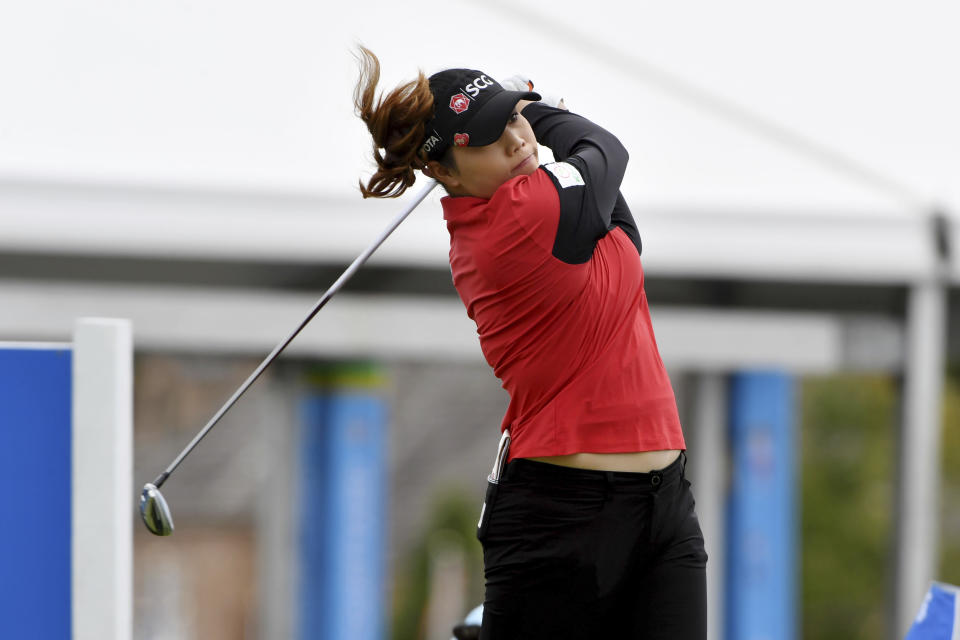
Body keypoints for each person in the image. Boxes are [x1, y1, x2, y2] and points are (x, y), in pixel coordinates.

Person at [354, 47, 707, 640]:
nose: (516, 138)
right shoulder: (515, 218)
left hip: (664, 502)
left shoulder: (556, 210)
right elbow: (606, 151)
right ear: (444, 170)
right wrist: (542, 115)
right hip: (562, 517)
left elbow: (625, 238)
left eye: (514, 118)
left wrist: (521, 114)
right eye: (490, 136)